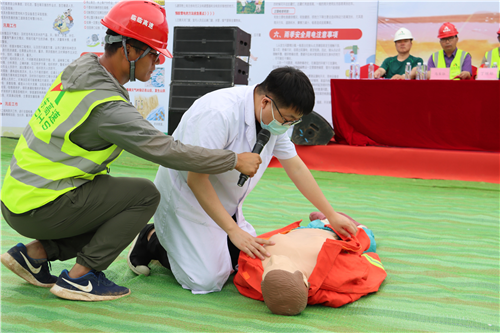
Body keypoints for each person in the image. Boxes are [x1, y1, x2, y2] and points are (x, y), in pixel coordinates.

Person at [0, 0, 260, 302]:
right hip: (41, 205)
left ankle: (33, 255)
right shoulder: (107, 106)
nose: (158, 64)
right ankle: (80, 278)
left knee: (110, 198)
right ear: (131, 50)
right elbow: (166, 150)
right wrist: (232, 159)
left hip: (20, 196)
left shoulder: (81, 68)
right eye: (155, 55)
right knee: (142, 196)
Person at [128, 67, 359, 294]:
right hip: (186, 200)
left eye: (293, 121)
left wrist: (331, 215)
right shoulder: (217, 113)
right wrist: (233, 231)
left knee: (248, 258)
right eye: (287, 119)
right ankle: (153, 238)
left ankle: (219, 239)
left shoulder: (273, 118)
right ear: (266, 102)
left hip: (223, 200)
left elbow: (296, 167)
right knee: (205, 279)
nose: (287, 125)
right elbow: (196, 180)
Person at [234, 213, 386, 315]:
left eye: (270, 266)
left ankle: (325, 218)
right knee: (368, 241)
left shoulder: (253, 272)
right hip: (333, 232)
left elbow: (242, 279)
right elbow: (362, 276)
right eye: (282, 263)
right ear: (305, 282)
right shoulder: (326, 280)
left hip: (301, 229)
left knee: (318, 223)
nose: (275, 259)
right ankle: (356, 225)